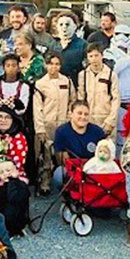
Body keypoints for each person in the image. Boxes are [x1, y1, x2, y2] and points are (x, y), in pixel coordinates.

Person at [34, 55, 73, 191]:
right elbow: (37, 108)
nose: (54, 67)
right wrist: (40, 129)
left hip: (63, 123)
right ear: (46, 65)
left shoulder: (66, 81)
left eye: (57, 64)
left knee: (63, 155)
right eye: (51, 64)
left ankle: (67, 183)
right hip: (47, 123)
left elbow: (72, 101)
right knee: (46, 156)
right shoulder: (40, 84)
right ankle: (45, 184)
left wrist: (70, 118)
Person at [53, 100, 108, 190]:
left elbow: (105, 155)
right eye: (79, 113)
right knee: (59, 174)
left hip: (95, 168)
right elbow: (62, 160)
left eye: (86, 114)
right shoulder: (62, 131)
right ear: (70, 114)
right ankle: (67, 197)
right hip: (73, 169)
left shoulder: (97, 131)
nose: (83, 117)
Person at [74, 44, 119, 136]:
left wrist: (111, 121)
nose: (94, 59)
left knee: (106, 148)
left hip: (106, 118)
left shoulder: (111, 75)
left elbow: (116, 99)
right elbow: (81, 98)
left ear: (102, 56)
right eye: (91, 56)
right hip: (88, 119)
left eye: (96, 55)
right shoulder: (83, 75)